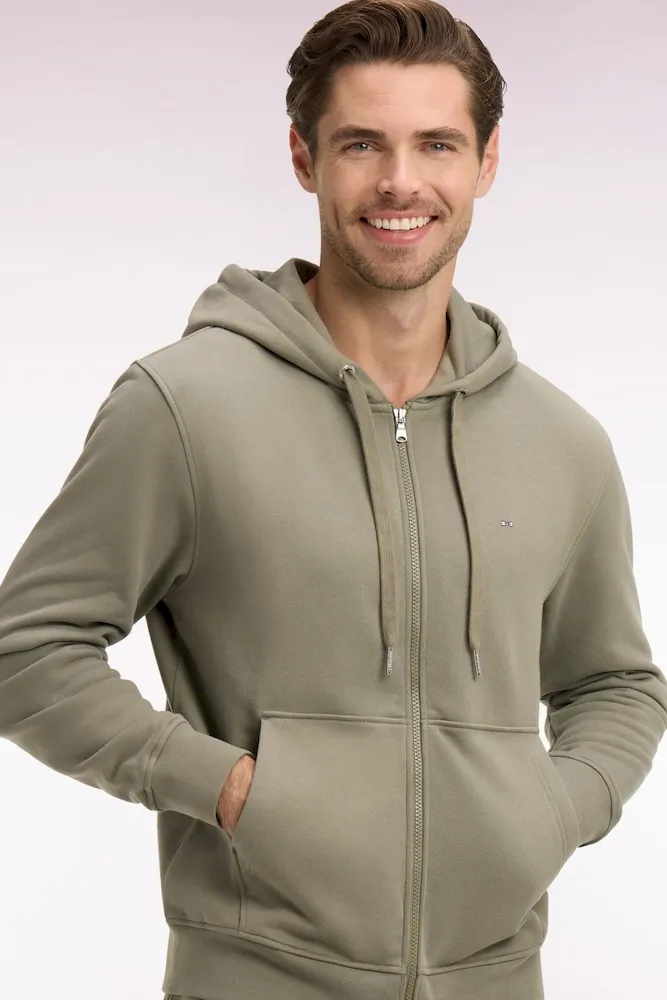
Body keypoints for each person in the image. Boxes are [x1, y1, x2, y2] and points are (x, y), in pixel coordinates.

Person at [0, 1, 665, 998]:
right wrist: (229, 789)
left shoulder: (561, 442)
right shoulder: (185, 406)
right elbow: (26, 649)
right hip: (253, 974)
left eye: (436, 143)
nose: (400, 181)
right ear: (303, 157)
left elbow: (613, 682)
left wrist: (555, 810)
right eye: (361, 143)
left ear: (486, 162)